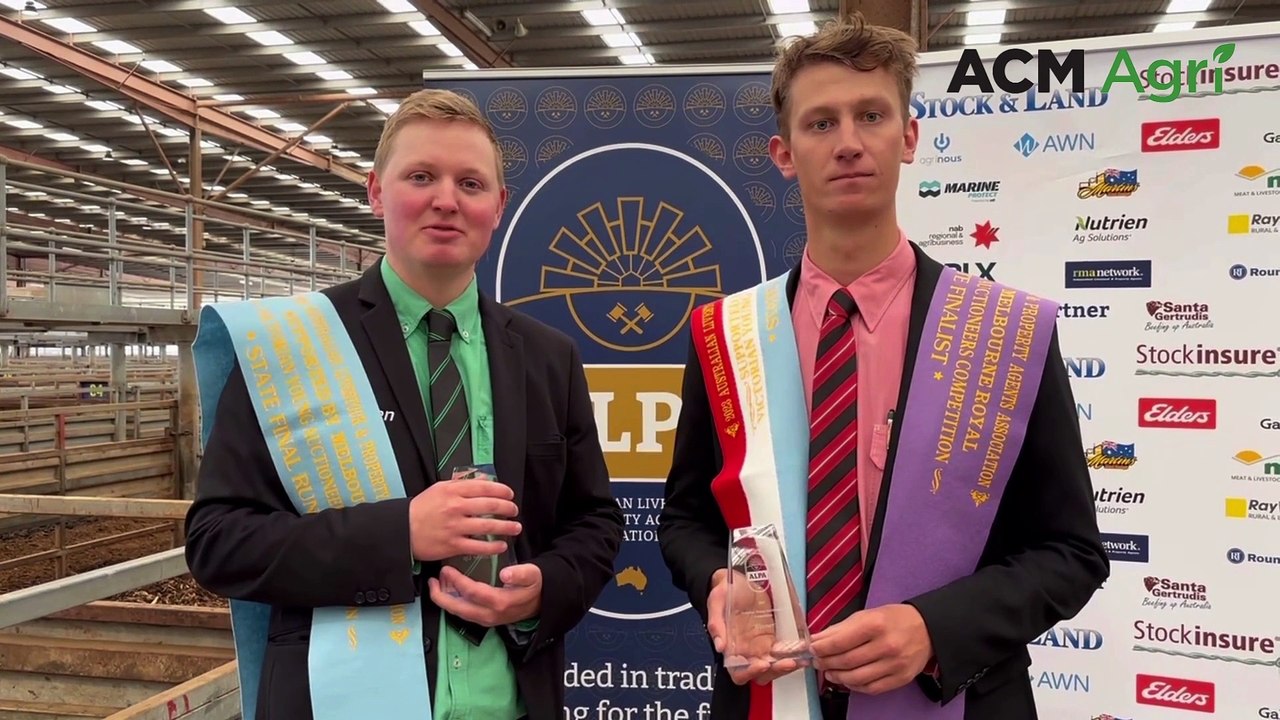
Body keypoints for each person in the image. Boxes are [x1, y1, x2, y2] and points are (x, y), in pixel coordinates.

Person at [658, 14, 1108, 720]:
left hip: (954, 698)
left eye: (871, 116)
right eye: (821, 123)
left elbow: (1071, 551)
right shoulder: (727, 335)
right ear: (784, 153)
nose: (848, 142)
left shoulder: (1005, 333)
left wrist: (935, 629)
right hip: (772, 696)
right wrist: (718, 581)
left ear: (908, 138)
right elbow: (687, 518)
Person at [185, 88, 623, 720]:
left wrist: (543, 592)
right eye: (421, 177)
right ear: (376, 192)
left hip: (510, 704)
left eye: (470, 183)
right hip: (341, 704)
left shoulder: (548, 357)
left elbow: (594, 522)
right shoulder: (294, 346)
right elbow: (219, 542)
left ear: (498, 206)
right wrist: (402, 535)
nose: (446, 199)